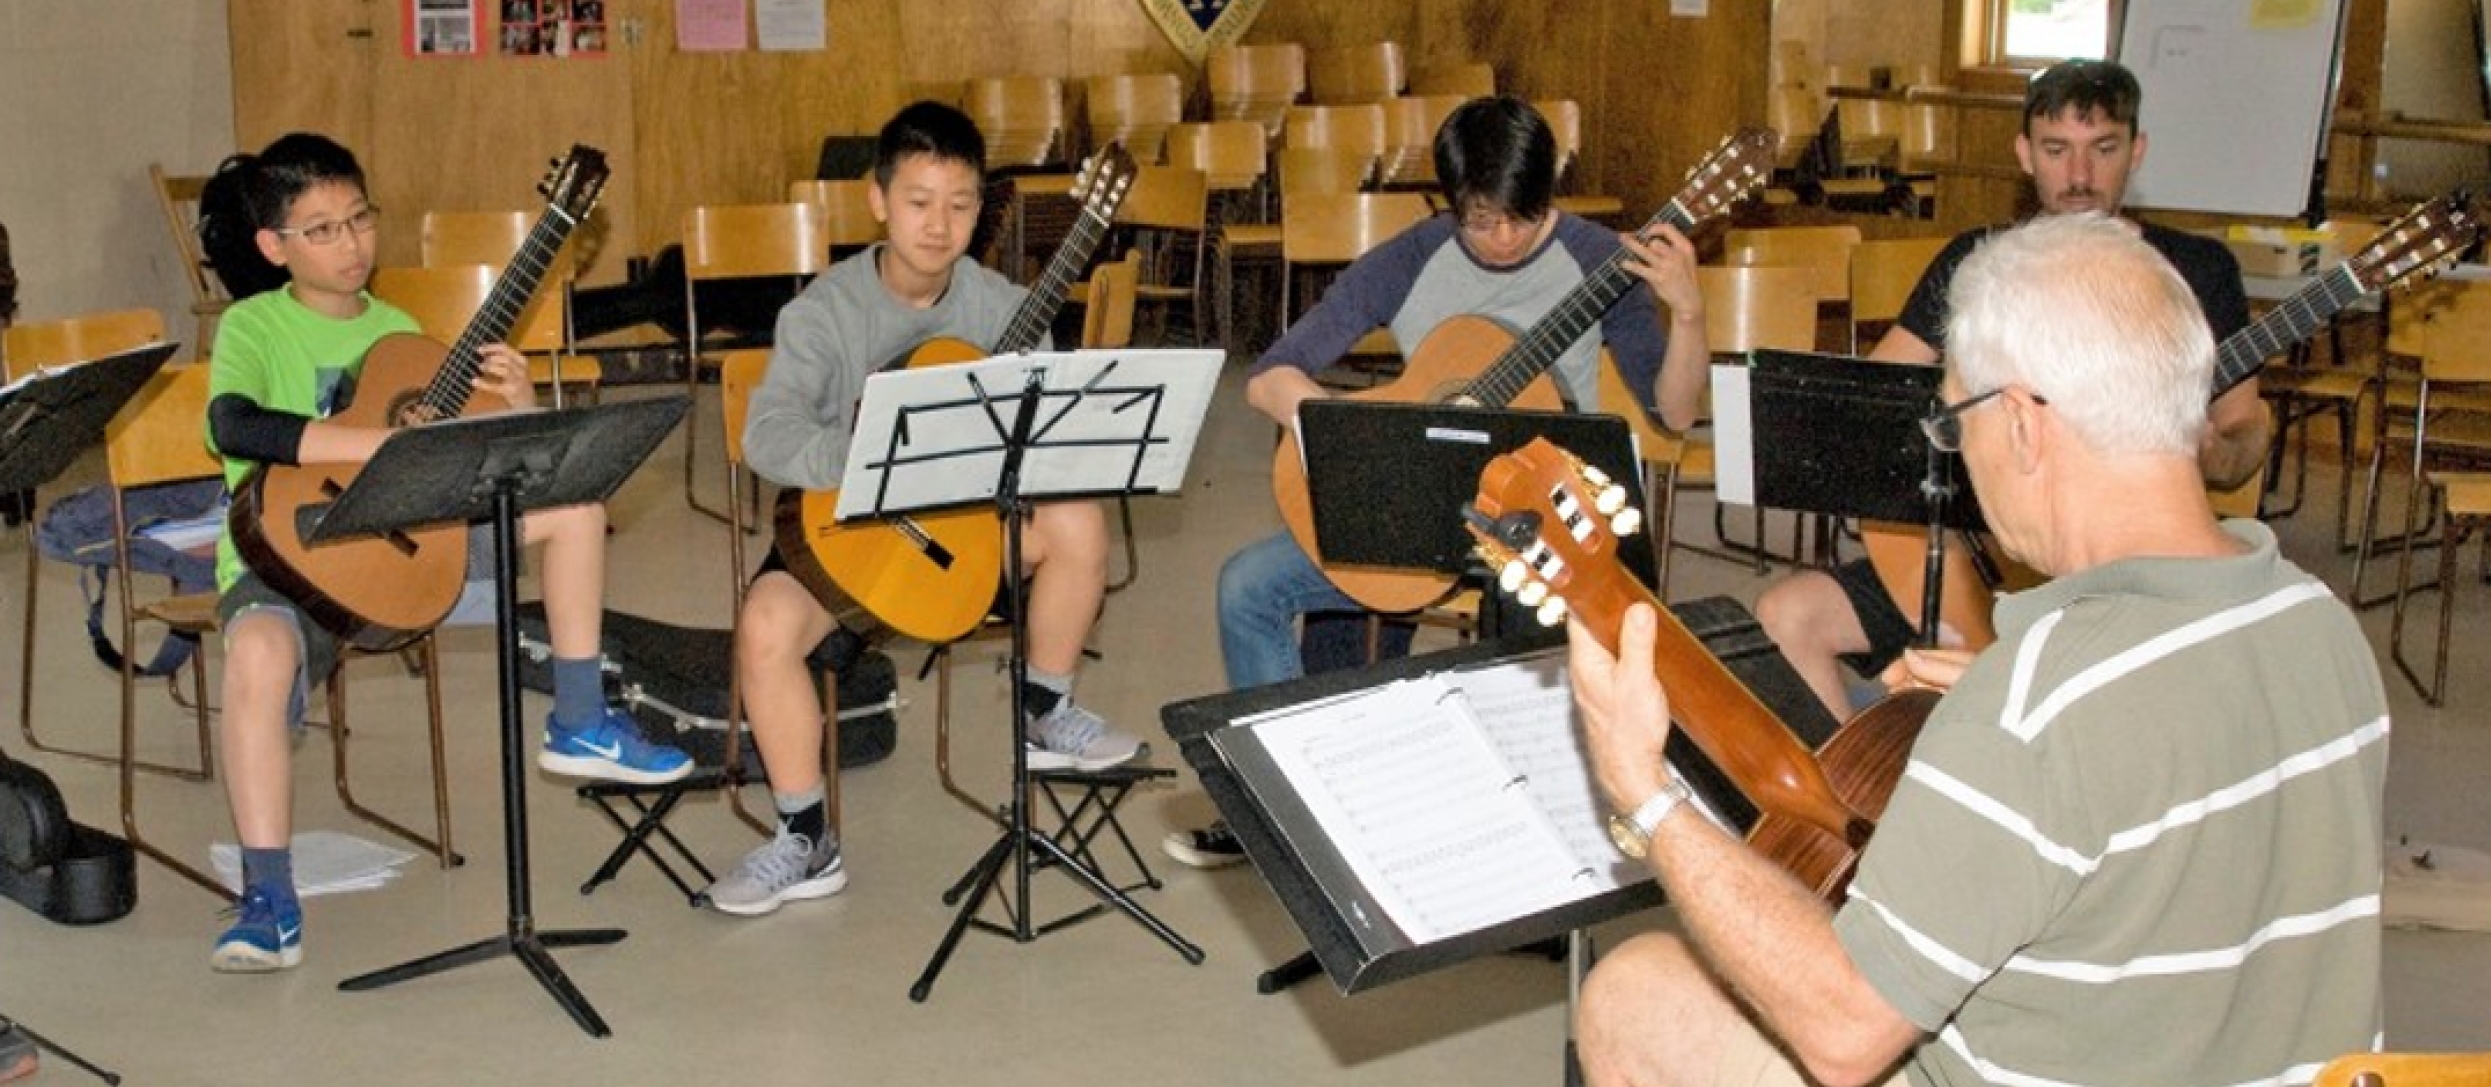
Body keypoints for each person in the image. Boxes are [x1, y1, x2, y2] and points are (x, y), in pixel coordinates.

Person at [1566, 213, 2386, 1087]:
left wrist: (1647, 795)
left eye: (1957, 421)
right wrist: (2016, 725)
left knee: (1634, 991)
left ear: (2026, 425)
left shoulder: (2032, 708)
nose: (1961, 458)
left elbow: (1843, 1037)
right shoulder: (2318, 620)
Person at [1165, 94, 1711, 869]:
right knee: (1246, 586)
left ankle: (1524, 841)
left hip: (1541, 524)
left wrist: (1686, 314)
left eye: (1519, 218)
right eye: (1479, 220)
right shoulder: (1415, 254)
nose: (1500, 238)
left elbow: (1677, 409)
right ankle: (1285, 808)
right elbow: (1270, 375)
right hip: (1419, 510)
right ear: (1451, 202)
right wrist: (1338, 429)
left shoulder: (1599, 259)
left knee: (1539, 649)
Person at [200, 132, 691, 973]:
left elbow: (463, 461)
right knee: (256, 648)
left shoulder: (399, 332)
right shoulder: (253, 324)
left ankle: (579, 717)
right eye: (322, 230)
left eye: (360, 218)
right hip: (291, 559)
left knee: (573, 504)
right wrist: (366, 447)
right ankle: (268, 900)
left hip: (410, 548)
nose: (351, 242)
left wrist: (518, 402)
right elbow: (233, 426)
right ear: (273, 246)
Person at [702, 101, 1147, 917]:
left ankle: (1045, 705)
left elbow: (1043, 435)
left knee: (1078, 516)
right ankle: (805, 837)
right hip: (851, 539)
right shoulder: (823, 313)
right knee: (763, 626)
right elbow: (768, 433)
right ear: (877, 200)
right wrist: (869, 464)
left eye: (960, 204)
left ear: (983, 208)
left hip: (969, 542)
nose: (939, 226)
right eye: (918, 201)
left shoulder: (1002, 306)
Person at [1754, 58, 2273, 724]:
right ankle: (1856, 816)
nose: (2079, 177)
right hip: (1980, 556)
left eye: (2103, 150)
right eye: (2057, 151)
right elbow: (1877, 405)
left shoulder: (2197, 271)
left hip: (2122, 574)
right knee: (1784, 614)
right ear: (2025, 155)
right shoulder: (1979, 262)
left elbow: (2241, 434)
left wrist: (2210, 451)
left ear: (2136, 151)